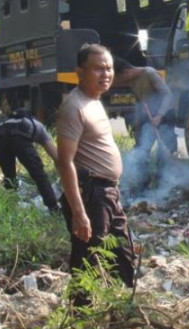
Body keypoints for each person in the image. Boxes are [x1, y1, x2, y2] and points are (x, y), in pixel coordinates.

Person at [57, 44, 135, 304]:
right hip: (91, 195)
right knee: (88, 261)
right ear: (80, 72)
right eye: (98, 68)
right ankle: (81, 326)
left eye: (109, 68)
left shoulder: (95, 102)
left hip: (108, 194)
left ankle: (119, 323)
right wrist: (79, 213)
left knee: (122, 257)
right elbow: (65, 162)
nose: (106, 74)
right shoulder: (74, 107)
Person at [0, 108, 60, 212]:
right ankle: (53, 207)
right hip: (20, 141)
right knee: (39, 176)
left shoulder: (6, 122)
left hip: (1, 140)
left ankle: (11, 205)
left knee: (9, 177)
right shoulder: (36, 125)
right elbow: (55, 155)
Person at [112, 58, 177, 185]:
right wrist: (137, 121)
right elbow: (139, 101)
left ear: (125, 72)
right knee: (142, 149)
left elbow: (167, 95)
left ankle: (162, 184)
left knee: (164, 152)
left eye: (119, 78)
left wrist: (159, 115)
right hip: (148, 116)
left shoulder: (149, 73)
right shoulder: (131, 81)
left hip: (165, 115)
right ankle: (143, 185)